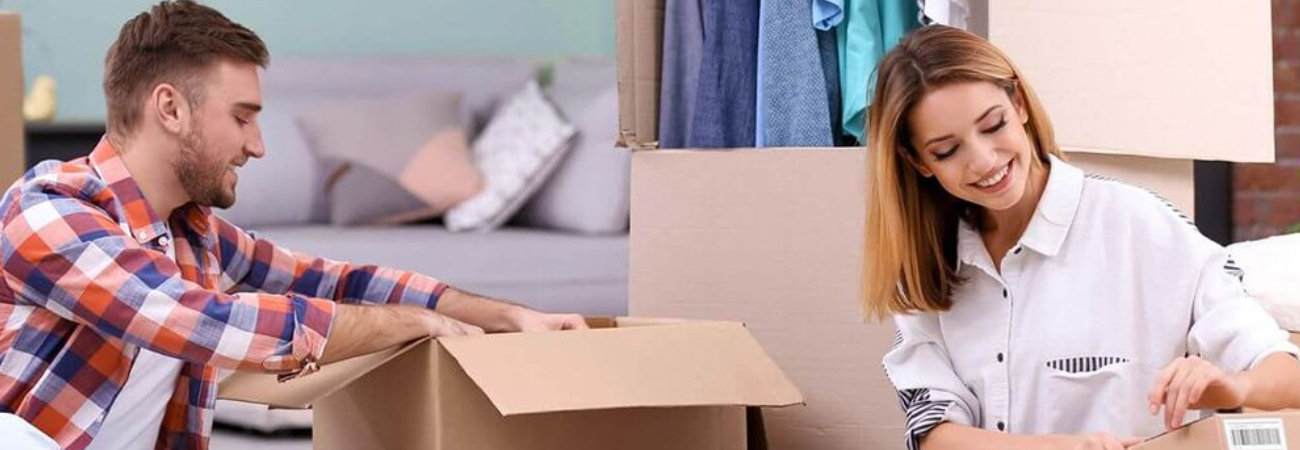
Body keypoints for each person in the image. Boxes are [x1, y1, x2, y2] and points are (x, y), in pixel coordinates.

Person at [0, 2, 587, 449]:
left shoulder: (191, 233)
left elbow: (335, 284)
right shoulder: (48, 211)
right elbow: (202, 321)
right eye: (242, 118)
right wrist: (413, 323)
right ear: (170, 108)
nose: (257, 146)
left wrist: (506, 316)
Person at [861, 25, 1300, 450]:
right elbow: (935, 435)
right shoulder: (927, 270)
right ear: (918, 161)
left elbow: (1287, 374)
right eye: (947, 151)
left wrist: (1233, 386)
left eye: (993, 125)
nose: (982, 160)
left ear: (1019, 104)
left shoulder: (1142, 227)